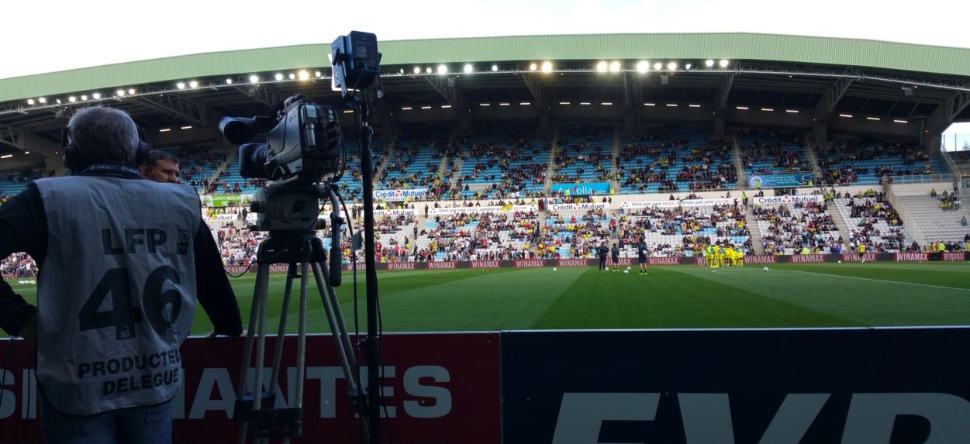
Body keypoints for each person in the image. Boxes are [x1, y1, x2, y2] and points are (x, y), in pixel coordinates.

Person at [0, 106, 243, 444]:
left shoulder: (47, 198)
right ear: (139, 153)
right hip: (154, 377)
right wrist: (230, 326)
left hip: (76, 382)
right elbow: (210, 276)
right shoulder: (180, 200)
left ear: (71, 153)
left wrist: (20, 319)